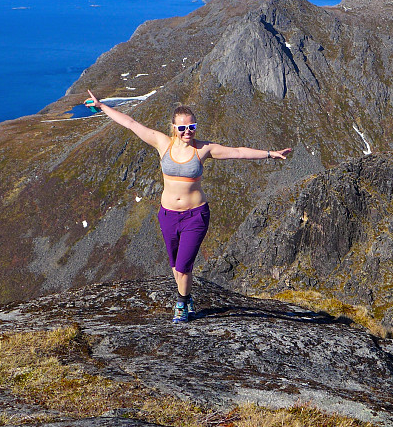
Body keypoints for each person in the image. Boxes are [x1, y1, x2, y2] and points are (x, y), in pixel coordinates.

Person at [85, 90, 291, 322]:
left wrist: (270, 154)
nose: (187, 132)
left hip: (195, 216)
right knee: (176, 266)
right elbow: (131, 123)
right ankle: (188, 297)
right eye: (182, 128)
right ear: (173, 128)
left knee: (183, 266)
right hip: (168, 216)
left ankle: (182, 304)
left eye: (191, 127)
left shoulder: (203, 149)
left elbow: (238, 152)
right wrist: (102, 107)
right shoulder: (162, 143)